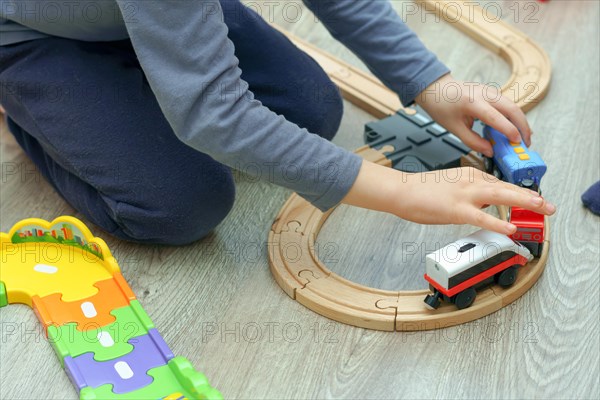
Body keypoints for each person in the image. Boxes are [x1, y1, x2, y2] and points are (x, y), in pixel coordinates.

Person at [0, 0, 555, 245]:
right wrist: (403, 191)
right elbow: (214, 115)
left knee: (312, 108)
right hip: (34, 36)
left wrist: (428, 81)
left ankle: (159, 70)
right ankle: (26, 111)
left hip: (162, 11)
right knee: (182, 205)